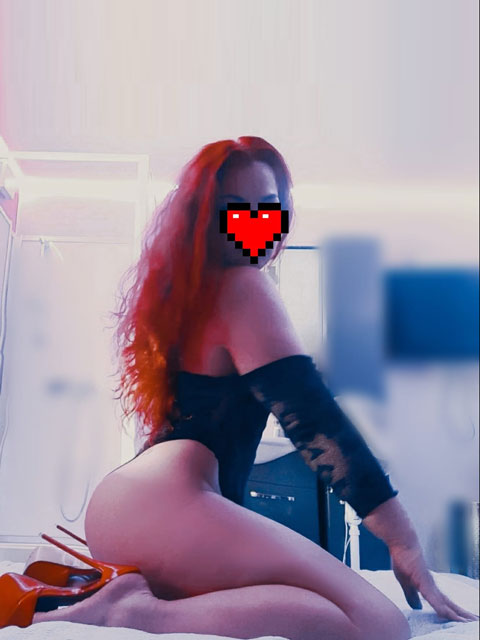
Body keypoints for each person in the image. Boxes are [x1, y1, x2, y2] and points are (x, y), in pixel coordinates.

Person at [33, 137, 477, 639]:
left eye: (268, 207)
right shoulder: (242, 285)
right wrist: (403, 538)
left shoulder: (186, 299)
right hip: (162, 506)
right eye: (235, 208)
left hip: (129, 510)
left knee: (321, 610)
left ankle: (135, 603)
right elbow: (311, 419)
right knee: (380, 625)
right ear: (205, 218)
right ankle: (132, 613)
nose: (255, 221)